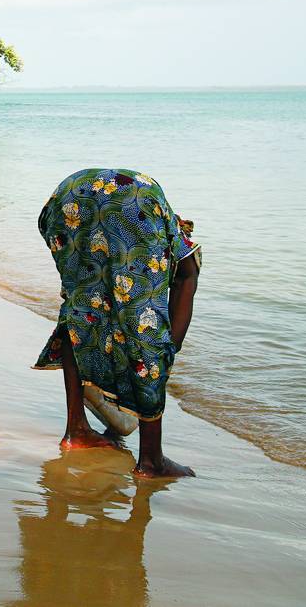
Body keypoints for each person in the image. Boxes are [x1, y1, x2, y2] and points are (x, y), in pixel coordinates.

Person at [34, 168, 201, 478]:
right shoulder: (173, 239)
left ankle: (76, 430)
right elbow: (187, 277)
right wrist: (166, 351)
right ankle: (151, 460)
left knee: (81, 308)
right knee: (146, 331)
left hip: (68, 195)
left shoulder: (157, 216)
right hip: (131, 202)